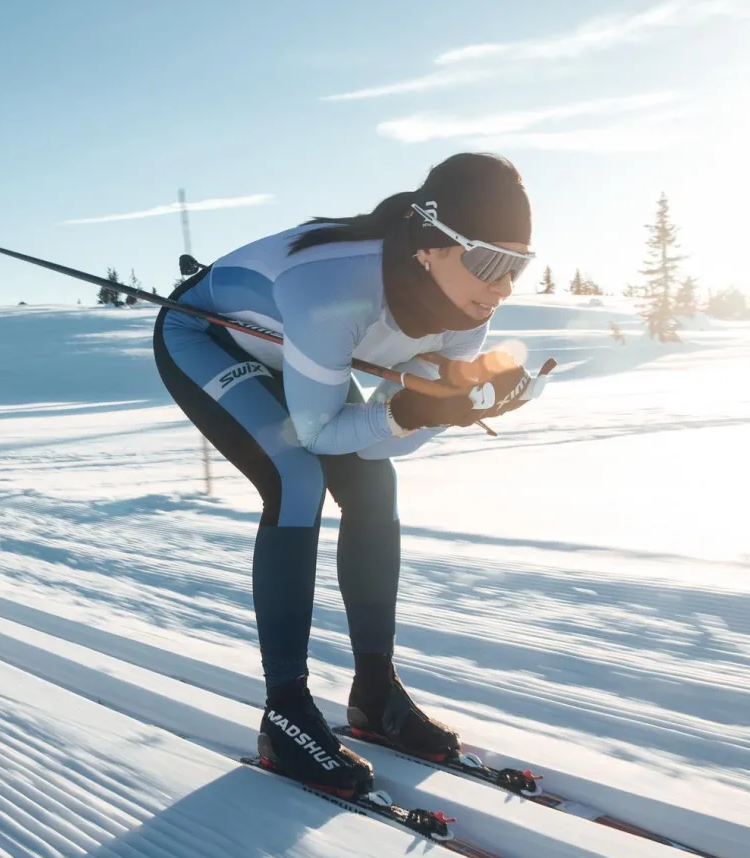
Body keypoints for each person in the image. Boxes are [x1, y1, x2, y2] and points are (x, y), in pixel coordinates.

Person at [153, 152, 535, 798]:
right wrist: (411, 411)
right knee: (296, 477)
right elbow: (318, 434)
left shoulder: (471, 311)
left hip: (301, 356)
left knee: (374, 488)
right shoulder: (329, 287)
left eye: (518, 267)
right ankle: (286, 714)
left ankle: (375, 691)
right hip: (207, 337)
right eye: (492, 262)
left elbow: (386, 449)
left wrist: (447, 407)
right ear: (433, 244)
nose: (502, 287)